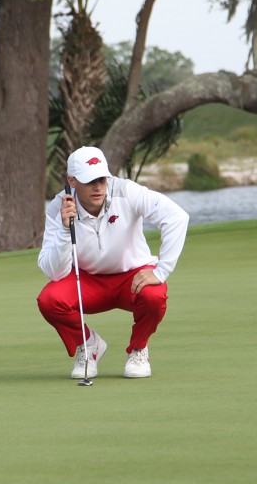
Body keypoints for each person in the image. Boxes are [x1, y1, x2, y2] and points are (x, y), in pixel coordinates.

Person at [37, 146, 189, 379]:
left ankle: (138, 350)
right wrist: (66, 230)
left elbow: (177, 217)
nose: (98, 187)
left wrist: (161, 271)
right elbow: (54, 272)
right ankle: (89, 345)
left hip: (132, 277)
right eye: (90, 181)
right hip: (87, 281)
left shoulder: (126, 191)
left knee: (155, 294)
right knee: (50, 300)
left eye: (102, 179)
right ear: (72, 181)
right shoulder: (59, 207)